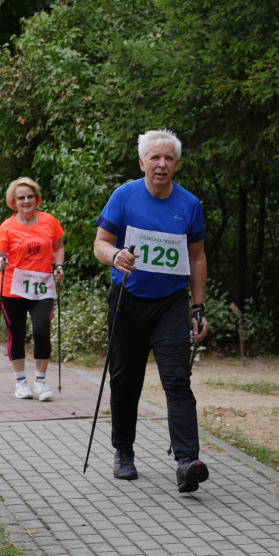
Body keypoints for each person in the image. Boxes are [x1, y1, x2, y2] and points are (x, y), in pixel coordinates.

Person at [92, 129, 210, 493]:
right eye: (154, 158)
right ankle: (123, 452)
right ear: (142, 162)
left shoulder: (189, 204)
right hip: (128, 299)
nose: (161, 164)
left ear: (176, 164)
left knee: (177, 380)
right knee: (126, 380)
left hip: (170, 304)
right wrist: (116, 256)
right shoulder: (124, 197)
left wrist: (198, 307)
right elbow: (100, 243)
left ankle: (187, 461)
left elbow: (197, 256)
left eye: (168, 158)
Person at [0, 177, 64, 400]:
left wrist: (59, 266)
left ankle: (40, 382)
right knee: (16, 333)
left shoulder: (49, 221)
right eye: (21, 197)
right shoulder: (7, 226)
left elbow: (58, 247)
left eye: (30, 196)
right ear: (14, 201)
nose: (26, 201)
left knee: (42, 330)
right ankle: (21, 382)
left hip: (42, 287)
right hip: (13, 287)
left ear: (36, 198)